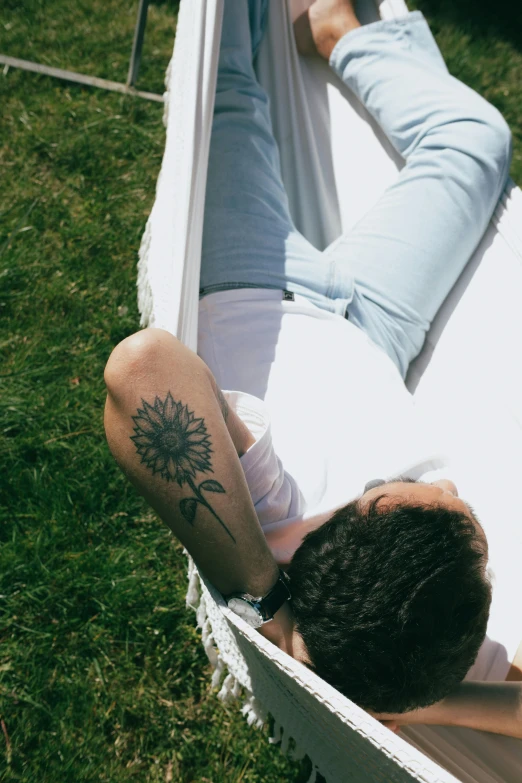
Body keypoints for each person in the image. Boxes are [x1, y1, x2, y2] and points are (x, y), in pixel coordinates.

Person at [104, 0, 522, 737]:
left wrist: (262, 593)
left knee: (226, 77)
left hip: (253, 278)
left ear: (378, 507)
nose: (453, 484)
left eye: (447, 502)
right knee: (475, 142)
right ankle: (336, 30)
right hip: (377, 326)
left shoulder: (274, 503)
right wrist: (411, 702)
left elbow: (141, 371)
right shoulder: (421, 624)